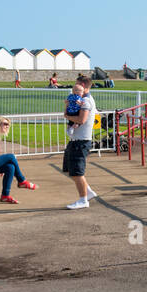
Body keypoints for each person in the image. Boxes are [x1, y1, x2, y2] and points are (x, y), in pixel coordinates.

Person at [63, 75, 98, 209]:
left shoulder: (86, 101)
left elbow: (81, 120)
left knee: (77, 172)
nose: (74, 87)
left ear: (83, 86)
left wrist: (67, 115)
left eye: (77, 84)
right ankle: (88, 192)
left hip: (81, 141)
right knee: (69, 170)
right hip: (75, 140)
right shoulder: (81, 100)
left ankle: (83, 200)